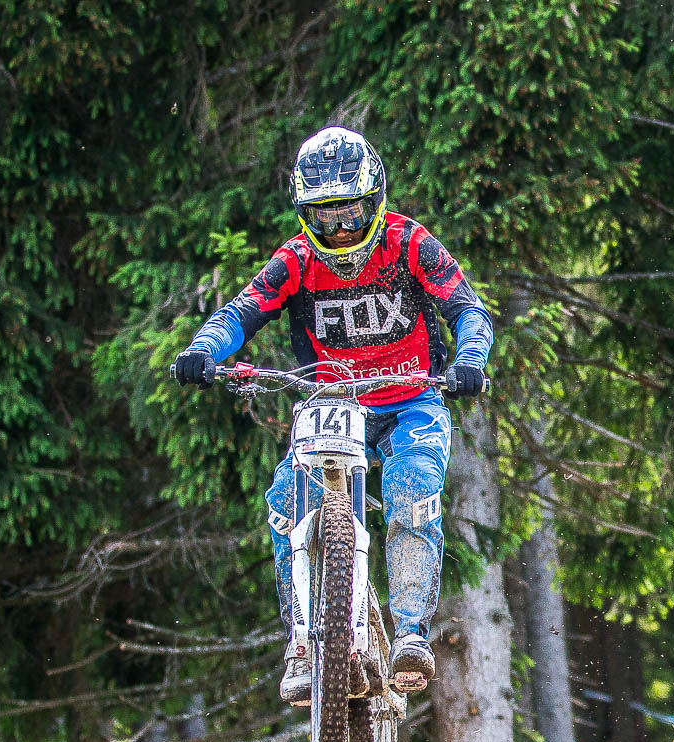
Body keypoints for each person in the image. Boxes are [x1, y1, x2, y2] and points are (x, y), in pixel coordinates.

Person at [171, 127, 494, 702]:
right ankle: (301, 643)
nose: (341, 230)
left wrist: (468, 359)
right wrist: (202, 351)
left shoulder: (411, 245)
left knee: (412, 486)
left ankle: (411, 633)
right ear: (305, 216)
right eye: (325, 218)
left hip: (412, 394)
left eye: (350, 214)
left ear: (375, 202)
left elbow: (469, 311)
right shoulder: (294, 260)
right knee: (285, 503)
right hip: (332, 400)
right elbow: (240, 313)